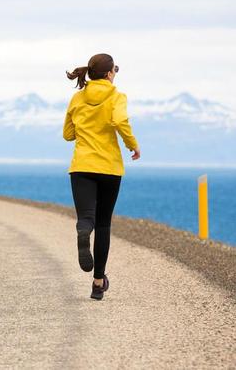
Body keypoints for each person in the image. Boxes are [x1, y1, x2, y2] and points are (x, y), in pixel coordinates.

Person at [63, 53, 140, 300]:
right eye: (115, 70)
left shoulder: (77, 97)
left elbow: (67, 134)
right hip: (109, 168)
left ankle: (83, 231)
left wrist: (85, 129)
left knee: (87, 218)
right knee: (104, 223)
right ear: (109, 74)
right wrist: (132, 145)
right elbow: (120, 121)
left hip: (82, 166)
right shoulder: (117, 96)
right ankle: (98, 283)